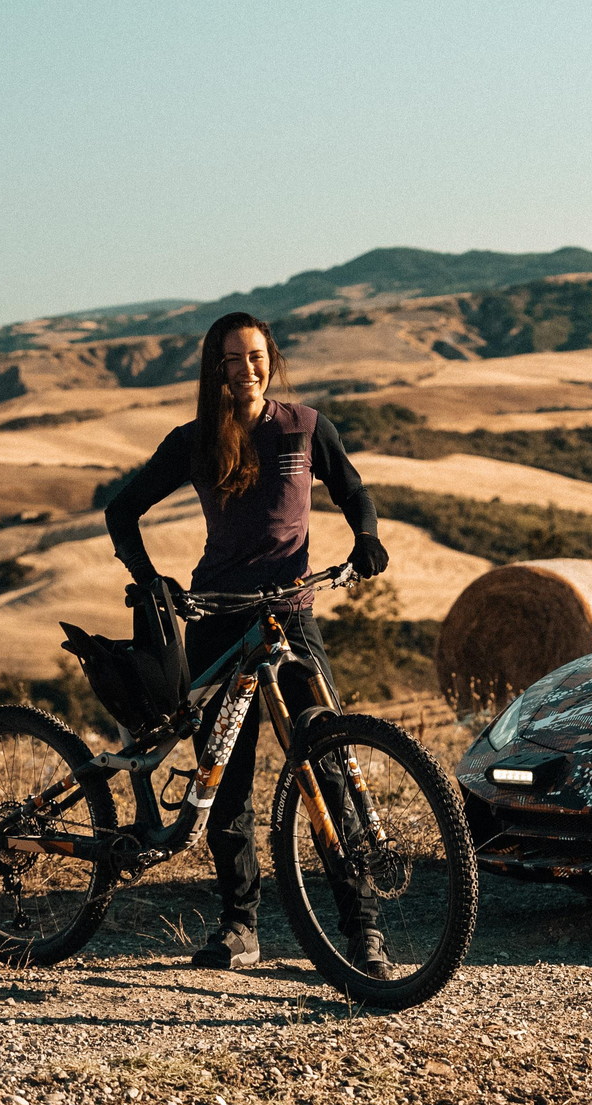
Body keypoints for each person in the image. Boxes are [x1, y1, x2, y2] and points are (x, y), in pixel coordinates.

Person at [104, 311, 391, 974]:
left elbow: (351, 488)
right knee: (223, 782)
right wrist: (152, 583)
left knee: (327, 765)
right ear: (215, 369)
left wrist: (367, 539)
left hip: (291, 618)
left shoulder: (306, 426)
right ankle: (238, 926)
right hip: (216, 620)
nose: (246, 369)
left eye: (256, 356)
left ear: (272, 359)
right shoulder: (196, 440)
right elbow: (122, 511)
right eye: (232, 359)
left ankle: (363, 929)